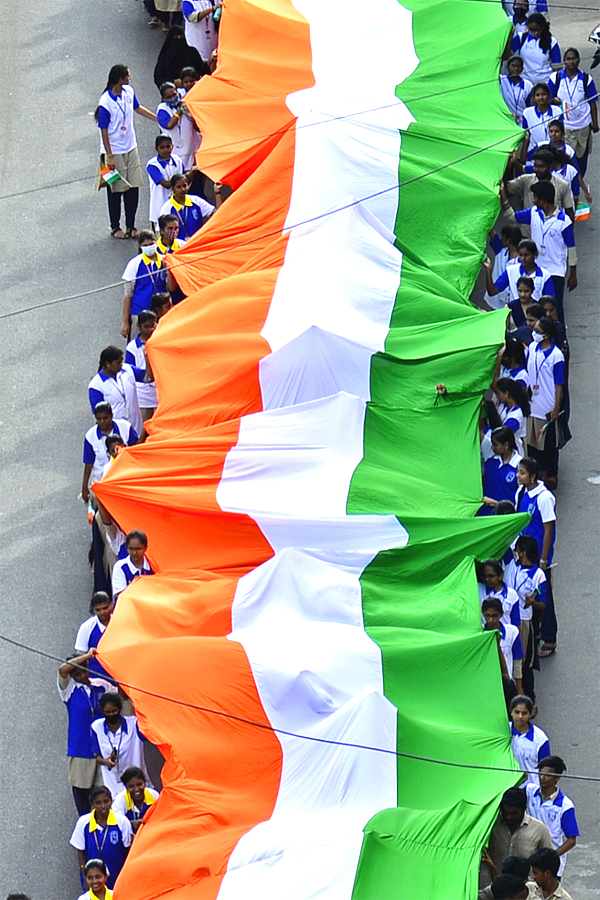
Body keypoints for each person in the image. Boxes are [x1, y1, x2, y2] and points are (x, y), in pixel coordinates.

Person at [95, 65, 157, 239]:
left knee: (133, 187)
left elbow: (137, 108)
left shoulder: (129, 92)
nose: (130, 78)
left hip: (130, 147)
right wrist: (109, 156)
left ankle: (131, 224)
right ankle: (115, 226)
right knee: (115, 189)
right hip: (113, 152)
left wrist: (156, 118)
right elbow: (104, 130)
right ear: (120, 79)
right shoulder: (105, 101)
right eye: (127, 75)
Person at [502, 182, 576, 316]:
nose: (533, 200)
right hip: (538, 269)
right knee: (536, 308)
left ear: (543, 200)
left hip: (556, 271)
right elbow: (512, 217)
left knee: (555, 308)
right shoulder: (533, 213)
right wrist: (503, 197)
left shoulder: (564, 221)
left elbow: (571, 248)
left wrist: (573, 274)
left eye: (535, 197)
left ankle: (559, 335)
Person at [57, 651, 114, 815]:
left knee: (105, 796)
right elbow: (62, 670)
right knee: (83, 797)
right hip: (81, 751)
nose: (82, 675)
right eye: (77, 673)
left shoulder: (101, 686)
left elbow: (120, 697)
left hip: (104, 750)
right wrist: (87, 656)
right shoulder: (69, 691)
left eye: (85, 670)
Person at [482, 787, 553, 889]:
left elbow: (548, 862)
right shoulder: (491, 825)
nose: (508, 817)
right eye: (505, 812)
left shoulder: (539, 830)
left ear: (524, 809)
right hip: (493, 886)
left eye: (513, 813)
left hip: (525, 891)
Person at [504, 534, 547, 695]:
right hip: (508, 618)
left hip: (524, 621)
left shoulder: (538, 576)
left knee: (522, 662)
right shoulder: (513, 566)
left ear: (524, 553)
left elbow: (543, 602)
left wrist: (533, 602)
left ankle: (528, 697)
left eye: (518, 550)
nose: (516, 553)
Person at [526, 318, 565, 486]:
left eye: (538, 331)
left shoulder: (557, 356)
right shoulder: (532, 348)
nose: (534, 333)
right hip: (532, 404)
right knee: (533, 444)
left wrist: (556, 408)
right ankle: (537, 472)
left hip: (547, 405)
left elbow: (559, 385)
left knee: (549, 445)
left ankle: (551, 473)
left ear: (547, 335)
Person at [548, 47, 599, 176]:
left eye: (574, 59)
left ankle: (579, 179)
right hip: (565, 126)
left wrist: (595, 123)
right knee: (566, 157)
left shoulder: (586, 79)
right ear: (564, 61)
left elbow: (592, 102)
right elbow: (548, 98)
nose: (571, 62)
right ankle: (568, 184)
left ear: (579, 60)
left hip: (583, 124)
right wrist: (553, 100)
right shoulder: (556, 77)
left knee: (582, 158)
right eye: (568, 59)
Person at [70, 785, 132, 889]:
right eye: (98, 803)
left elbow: (128, 850)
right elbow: (80, 851)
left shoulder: (122, 821)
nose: (103, 806)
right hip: (94, 877)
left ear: (111, 801)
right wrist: (85, 875)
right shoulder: (83, 822)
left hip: (117, 874)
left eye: (106, 801)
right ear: (92, 804)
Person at [91, 693, 153, 798]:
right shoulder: (97, 727)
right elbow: (96, 755)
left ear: (120, 709)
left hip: (137, 784)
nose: (111, 715)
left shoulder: (134, 724)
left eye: (114, 711)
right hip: (112, 785)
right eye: (108, 712)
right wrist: (106, 762)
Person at [526, 757, 579, 876]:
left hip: (551, 866)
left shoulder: (565, 805)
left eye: (547, 775)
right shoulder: (530, 792)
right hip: (529, 858)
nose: (542, 778)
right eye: (540, 773)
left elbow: (571, 840)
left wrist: (552, 856)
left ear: (557, 778)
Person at [82, 402, 138, 503]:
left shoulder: (125, 427)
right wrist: (84, 486)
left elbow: (136, 450)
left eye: (105, 418)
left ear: (112, 416)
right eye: (99, 419)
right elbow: (88, 462)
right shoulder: (90, 436)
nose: (102, 421)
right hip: (101, 484)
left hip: (126, 481)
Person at [88, 347, 146, 437]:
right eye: (118, 363)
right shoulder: (96, 385)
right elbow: (99, 415)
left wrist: (148, 357)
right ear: (107, 364)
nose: (121, 365)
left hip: (137, 430)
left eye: (121, 362)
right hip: (117, 437)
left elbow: (147, 377)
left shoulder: (128, 369)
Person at [121, 232, 168, 340]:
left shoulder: (165, 261)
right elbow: (128, 294)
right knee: (138, 343)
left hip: (161, 312)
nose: (149, 247)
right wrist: (125, 322)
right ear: (140, 246)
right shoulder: (134, 264)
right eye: (145, 246)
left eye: (151, 244)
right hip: (139, 312)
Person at [506, 148, 574, 220]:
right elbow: (506, 189)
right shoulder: (525, 180)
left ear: (550, 167)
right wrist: (509, 166)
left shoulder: (563, 186)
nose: (537, 170)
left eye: (541, 167)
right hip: (528, 230)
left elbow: (569, 212)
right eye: (535, 166)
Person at [156, 82, 202, 171]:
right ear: (163, 98)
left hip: (193, 149)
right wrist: (179, 112)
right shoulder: (162, 109)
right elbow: (169, 125)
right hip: (177, 153)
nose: (172, 98)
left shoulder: (183, 97)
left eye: (174, 94)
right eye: (168, 97)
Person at [159, 173, 218, 239]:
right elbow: (161, 232)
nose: (183, 189)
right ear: (173, 189)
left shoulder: (196, 200)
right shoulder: (167, 208)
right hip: (178, 247)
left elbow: (215, 213)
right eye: (179, 187)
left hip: (197, 242)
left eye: (185, 186)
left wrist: (209, 229)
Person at [483, 598, 524, 693]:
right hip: (487, 685)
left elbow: (517, 663)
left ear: (501, 614)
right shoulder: (479, 635)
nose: (491, 620)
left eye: (495, 616)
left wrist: (519, 689)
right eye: (487, 616)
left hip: (507, 685)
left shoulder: (512, 632)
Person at [146, 134, 186, 229]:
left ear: (172, 146)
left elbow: (185, 178)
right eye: (162, 147)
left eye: (168, 146)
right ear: (157, 149)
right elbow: (166, 184)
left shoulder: (178, 160)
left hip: (177, 205)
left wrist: (193, 172)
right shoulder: (152, 165)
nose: (166, 150)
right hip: (160, 205)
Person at [509, 695, 550, 784]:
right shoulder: (503, 731)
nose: (520, 716)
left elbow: (546, 768)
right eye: (517, 712)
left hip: (530, 789)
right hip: (505, 787)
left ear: (530, 714)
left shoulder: (540, 738)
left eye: (524, 713)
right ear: (511, 712)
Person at [126, 311, 158, 422]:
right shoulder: (132, 347)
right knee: (145, 424)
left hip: (160, 392)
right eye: (146, 326)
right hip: (143, 395)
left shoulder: (160, 341)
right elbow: (130, 371)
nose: (150, 329)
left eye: (152, 325)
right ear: (139, 326)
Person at [481, 427, 522, 514]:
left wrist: (495, 503)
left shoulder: (520, 466)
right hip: (484, 515)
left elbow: (522, 499)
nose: (492, 447)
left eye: (495, 445)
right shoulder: (490, 456)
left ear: (506, 445)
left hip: (506, 518)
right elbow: (478, 432)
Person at [510, 16, 561, 85]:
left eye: (536, 29)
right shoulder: (521, 38)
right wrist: (510, 36)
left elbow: (557, 67)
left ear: (542, 27)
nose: (533, 32)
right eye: (531, 29)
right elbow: (507, 55)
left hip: (546, 82)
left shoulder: (552, 41)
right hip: (526, 83)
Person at [483, 225, 523, 308]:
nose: (500, 239)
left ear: (508, 240)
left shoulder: (524, 260)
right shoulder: (501, 250)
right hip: (497, 302)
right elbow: (490, 230)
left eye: (503, 237)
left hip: (517, 303)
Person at [74, 593, 113, 679]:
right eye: (98, 610)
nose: (102, 612)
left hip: (119, 677)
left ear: (111, 605)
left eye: (105, 608)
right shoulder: (86, 627)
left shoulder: (119, 622)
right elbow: (80, 655)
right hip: (96, 678)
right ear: (93, 610)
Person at [520, 84, 563, 161]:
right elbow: (526, 135)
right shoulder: (527, 113)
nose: (541, 97)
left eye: (543, 94)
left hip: (553, 153)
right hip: (533, 153)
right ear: (533, 98)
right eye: (537, 95)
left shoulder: (557, 111)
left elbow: (560, 133)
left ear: (549, 95)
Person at [112, 766, 160, 832]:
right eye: (131, 786)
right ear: (126, 787)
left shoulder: (154, 795)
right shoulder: (120, 801)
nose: (136, 789)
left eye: (139, 784)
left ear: (145, 783)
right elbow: (118, 825)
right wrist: (130, 824)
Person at [111, 530, 154, 600]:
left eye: (138, 549)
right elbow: (121, 595)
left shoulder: (152, 565)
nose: (134, 552)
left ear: (146, 548)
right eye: (131, 549)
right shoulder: (120, 567)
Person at [494, 378, 530, 455]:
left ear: (506, 393)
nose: (498, 396)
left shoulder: (517, 416)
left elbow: (503, 434)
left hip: (513, 452)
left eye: (499, 393)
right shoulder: (504, 406)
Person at [481, 559, 521, 628]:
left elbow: (516, 622)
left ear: (500, 576)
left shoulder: (512, 594)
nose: (487, 579)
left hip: (505, 636)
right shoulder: (478, 589)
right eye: (485, 576)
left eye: (491, 576)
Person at [501, 57, 534, 124]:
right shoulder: (501, 81)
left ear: (522, 68)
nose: (516, 69)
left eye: (519, 66)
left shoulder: (528, 85)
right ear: (507, 67)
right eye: (513, 66)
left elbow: (529, 106)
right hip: (506, 120)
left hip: (522, 121)